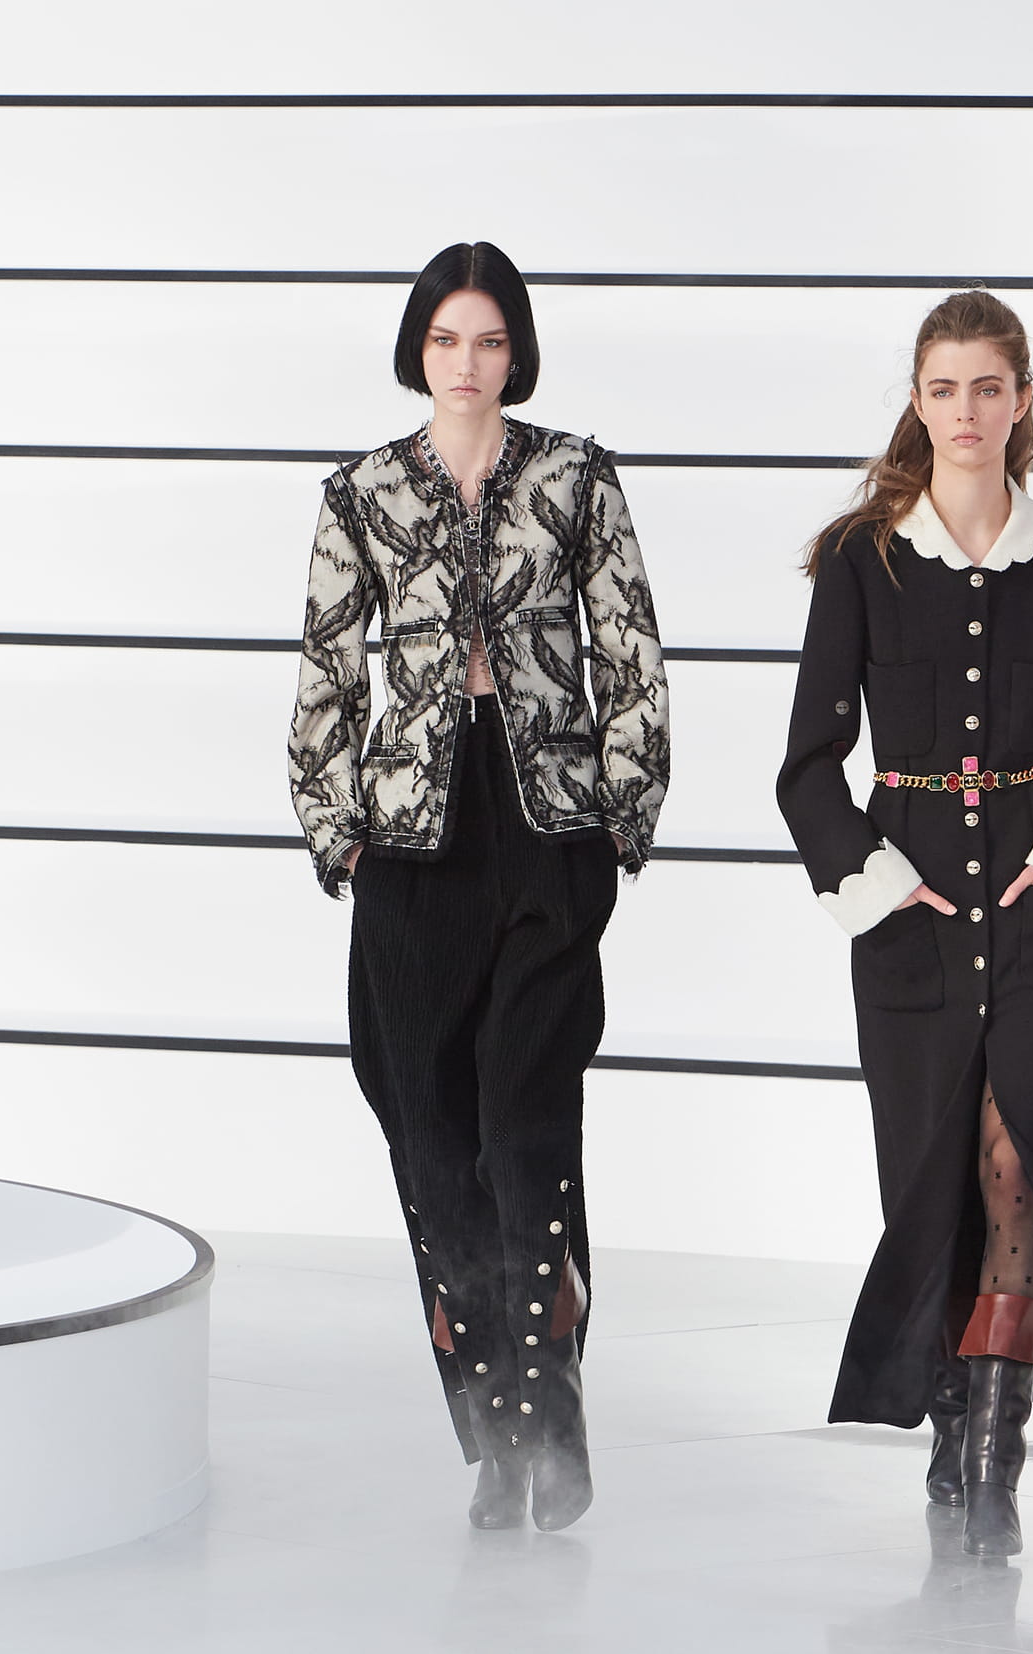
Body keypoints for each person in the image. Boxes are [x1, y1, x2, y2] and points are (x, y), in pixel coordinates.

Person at [288, 242, 669, 1531]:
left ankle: (546, 1408)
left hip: (545, 823)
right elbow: (326, 673)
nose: (467, 362)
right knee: (433, 1140)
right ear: (418, 348)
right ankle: (496, 1432)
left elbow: (630, 650)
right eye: (447, 339)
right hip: (410, 843)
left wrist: (620, 818)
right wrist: (338, 834)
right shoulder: (360, 493)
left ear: (517, 351)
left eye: (489, 339)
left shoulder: (575, 477)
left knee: (524, 1117)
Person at [777, 289, 1033, 1557]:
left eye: (987, 387)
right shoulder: (863, 558)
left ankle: (991, 1464)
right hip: (906, 914)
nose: (965, 410)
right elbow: (807, 766)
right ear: (917, 400)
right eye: (943, 388)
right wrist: (873, 880)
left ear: (1021, 402)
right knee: (932, 1177)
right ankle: (954, 1415)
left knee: (1015, 1163)